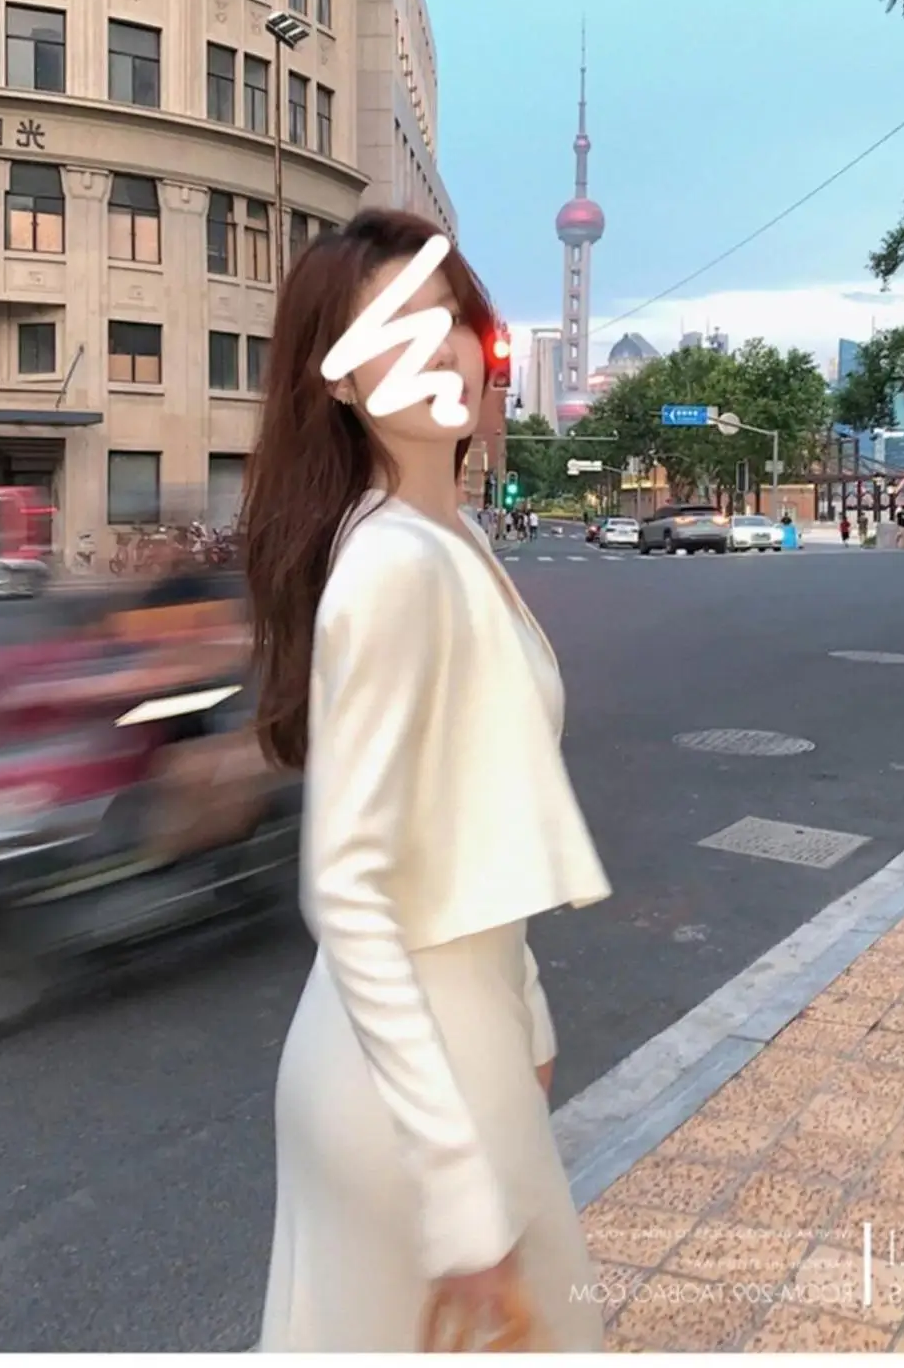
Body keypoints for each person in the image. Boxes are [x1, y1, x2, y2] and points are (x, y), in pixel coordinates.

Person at [166, 210, 611, 1352]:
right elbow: (349, 889)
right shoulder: (394, 565)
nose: (438, 350)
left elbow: (473, 810)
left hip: (464, 1045)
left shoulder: (453, 540)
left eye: (447, 317)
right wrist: (456, 1193)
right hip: (412, 1093)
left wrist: (524, 1004)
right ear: (340, 380)